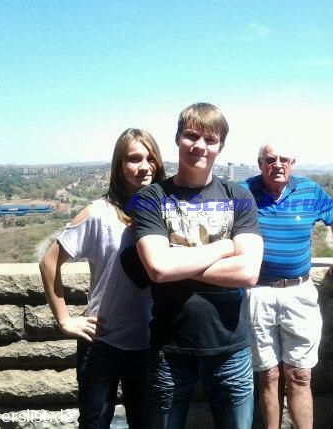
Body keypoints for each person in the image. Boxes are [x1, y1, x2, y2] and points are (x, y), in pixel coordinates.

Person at [122, 102, 264, 429]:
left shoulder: (239, 197)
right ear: (177, 139)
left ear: (220, 147)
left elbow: (247, 272)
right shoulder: (151, 198)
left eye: (210, 139)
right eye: (191, 136)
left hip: (231, 349)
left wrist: (176, 259)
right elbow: (158, 269)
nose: (199, 145)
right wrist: (224, 247)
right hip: (169, 350)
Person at [39, 128, 166, 428]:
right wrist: (64, 320)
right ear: (119, 166)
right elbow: (49, 262)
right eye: (134, 159)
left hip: (150, 344)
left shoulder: (166, 212)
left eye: (150, 158)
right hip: (102, 343)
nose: (145, 166)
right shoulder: (98, 213)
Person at [240, 140, 333, 429]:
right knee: (268, 376)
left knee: (300, 375)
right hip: (257, 293)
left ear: (293, 163)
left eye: (284, 159)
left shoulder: (309, 190)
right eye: (270, 159)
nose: (277, 164)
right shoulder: (243, 192)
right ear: (260, 164)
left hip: (299, 293)